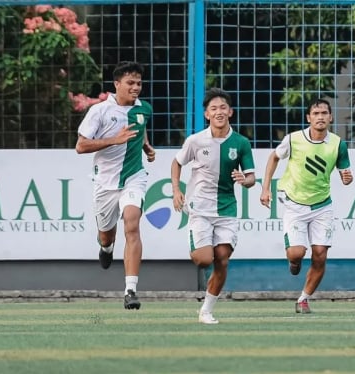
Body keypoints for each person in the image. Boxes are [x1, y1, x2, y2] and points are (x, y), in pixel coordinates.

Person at [260, 98, 353, 314]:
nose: (320, 117)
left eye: (324, 113)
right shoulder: (293, 140)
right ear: (308, 118)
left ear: (330, 117)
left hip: (322, 205)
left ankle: (304, 298)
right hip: (294, 203)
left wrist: (347, 179)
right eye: (316, 113)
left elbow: (345, 174)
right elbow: (274, 158)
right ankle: (294, 263)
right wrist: (265, 188)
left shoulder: (338, 144)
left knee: (320, 253)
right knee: (296, 253)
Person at [75, 61, 156, 310]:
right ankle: (106, 247)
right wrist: (114, 139)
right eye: (130, 83)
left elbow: (139, 129)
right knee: (106, 234)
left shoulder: (145, 109)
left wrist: (146, 146)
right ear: (117, 84)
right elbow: (81, 146)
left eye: (139, 83)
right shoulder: (99, 111)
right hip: (105, 183)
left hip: (134, 176)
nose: (136, 88)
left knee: (132, 225)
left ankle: (130, 290)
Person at [171, 88, 256, 324]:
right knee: (203, 259)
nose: (219, 112)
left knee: (223, 258)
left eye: (223, 108)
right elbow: (176, 163)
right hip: (199, 208)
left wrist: (244, 179)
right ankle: (196, 240)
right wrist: (176, 190)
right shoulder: (195, 141)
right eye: (213, 108)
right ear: (207, 115)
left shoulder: (241, 143)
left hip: (227, 209)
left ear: (231, 112)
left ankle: (206, 311)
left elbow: (251, 179)